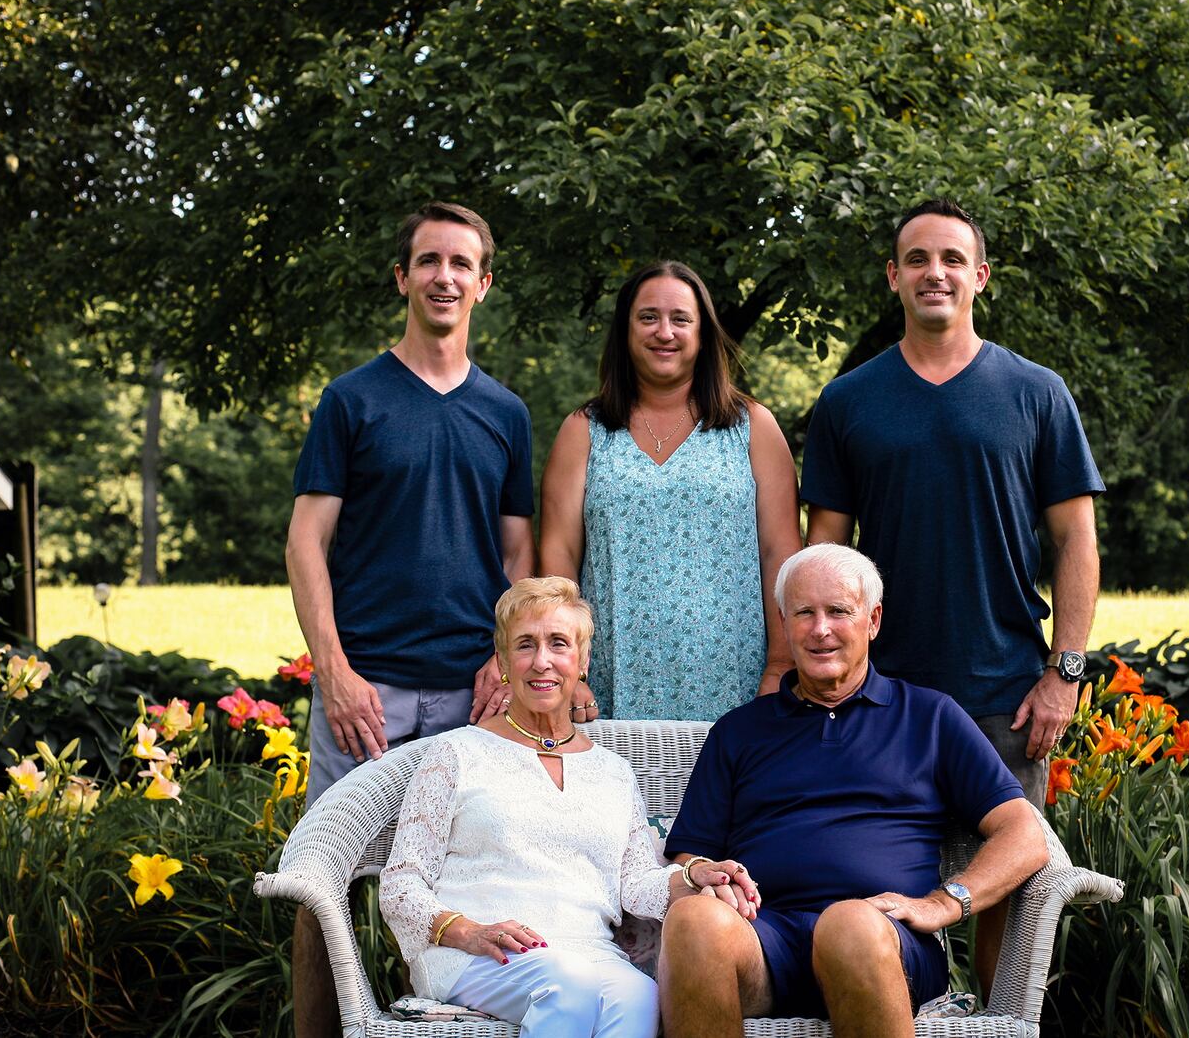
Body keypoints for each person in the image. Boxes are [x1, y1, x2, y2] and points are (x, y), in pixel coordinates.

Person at [800, 198, 1102, 986]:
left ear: (980, 276)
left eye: (953, 259)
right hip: (877, 693)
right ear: (894, 276)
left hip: (1003, 689)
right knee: (865, 882)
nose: (936, 272)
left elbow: (1075, 540)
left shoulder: (1037, 392)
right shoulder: (848, 401)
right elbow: (822, 553)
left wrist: (1065, 672)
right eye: (919, 259)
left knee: (1005, 884)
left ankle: (995, 1027)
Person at [286, 202, 535, 1038]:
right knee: (329, 878)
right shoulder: (352, 399)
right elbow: (306, 540)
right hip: (370, 691)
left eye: (462, 264)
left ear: (484, 284)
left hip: (472, 695)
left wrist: (504, 659)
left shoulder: (505, 412)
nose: (445, 277)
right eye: (429, 261)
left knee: (465, 882)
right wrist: (335, 668)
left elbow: (517, 557)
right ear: (403, 277)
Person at [658, 544, 1048, 1038]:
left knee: (848, 923)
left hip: (882, 940)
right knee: (693, 922)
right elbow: (690, 856)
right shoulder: (739, 732)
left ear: (873, 620)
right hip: (765, 940)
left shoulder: (930, 717)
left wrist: (945, 904)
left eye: (839, 611)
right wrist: (704, 876)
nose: (821, 629)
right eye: (805, 613)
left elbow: (1023, 833)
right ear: (783, 622)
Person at [378, 577, 759, 1037]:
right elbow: (401, 884)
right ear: (501, 661)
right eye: (525, 645)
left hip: (589, 953)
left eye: (559, 644)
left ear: (582, 661)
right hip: (477, 955)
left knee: (638, 997)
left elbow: (635, 887)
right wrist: (467, 931)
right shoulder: (454, 754)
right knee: (570, 986)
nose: (543, 661)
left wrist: (693, 874)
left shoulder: (613, 772)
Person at [539, 260, 802, 721]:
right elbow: (559, 558)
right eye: (648, 317)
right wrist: (570, 674)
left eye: (681, 319)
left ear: (703, 334)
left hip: (735, 679)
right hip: (606, 684)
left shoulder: (752, 427)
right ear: (625, 330)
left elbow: (779, 553)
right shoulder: (585, 431)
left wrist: (781, 666)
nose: (665, 331)